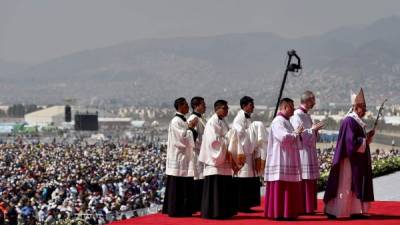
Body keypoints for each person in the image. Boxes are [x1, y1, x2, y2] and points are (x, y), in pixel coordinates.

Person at [324, 88, 375, 219]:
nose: (365, 110)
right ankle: (341, 211)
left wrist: (366, 138)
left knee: (354, 184)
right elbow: (350, 142)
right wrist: (365, 140)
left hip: (356, 159)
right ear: (356, 107)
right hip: (348, 160)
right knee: (346, 185)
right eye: (363, 107)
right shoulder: (349, 121)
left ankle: (355, 211)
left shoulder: (356, 121)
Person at [199, 100, 241, 219]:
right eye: (224, 108)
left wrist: (230, 136)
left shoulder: (223, 121)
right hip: (215, 161)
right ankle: (213, 212)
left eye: (227, 108)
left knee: (223, 187)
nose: (227, 110)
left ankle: (223, 211)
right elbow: (214, 142)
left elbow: (224, 136)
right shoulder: (212, 122)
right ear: (217, 109)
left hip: (223, 159)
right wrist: (229, 138)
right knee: (215, 187)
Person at [264, 98, 304, 220]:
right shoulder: (278, 121)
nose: (294, 109)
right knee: (281, 185)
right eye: (292, 107)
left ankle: (288, 212)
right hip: (280, 159)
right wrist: (296, 133)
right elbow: (283, 138)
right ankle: (279, 212)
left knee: (288, 184)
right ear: (285, 107)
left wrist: (298, 134)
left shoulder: (287, 121)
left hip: (287, 158)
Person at [162, 97, 198, 217]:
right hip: (178, 157)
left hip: (185, 157)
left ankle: (185, 209)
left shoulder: (182, 121)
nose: (188, 107)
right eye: (186, 105)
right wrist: (191, 128)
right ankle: (176, 210)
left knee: (184, 185)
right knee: (177, 186)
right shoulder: (175, 121)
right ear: (180, 106)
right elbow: (181, 138)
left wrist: (189, 128)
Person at [290, 91, 324, 214]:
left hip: (310, 151)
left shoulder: (307, 115)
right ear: (308, 100)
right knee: (304, 178)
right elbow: (300, 134)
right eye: (313, 100)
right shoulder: (297, 115)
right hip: (302, 152)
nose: (314, 102)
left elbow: (309, 132)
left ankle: (309, 207)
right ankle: (303, 207)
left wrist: (315, 131)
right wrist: (313, 130)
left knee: (310, 179)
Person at [232, 96, 267, 212]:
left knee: (249, 179)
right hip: (243, 153)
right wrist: (254, 130)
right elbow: (240, 134)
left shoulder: (247, 118)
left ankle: (246, 204)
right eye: (251, 105)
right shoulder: (239, 119)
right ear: (244, 106)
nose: (253, 107)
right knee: (243, 179)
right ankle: (241, 204)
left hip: (250, 152)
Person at [187, 96, 207, 212]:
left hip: (203, 153)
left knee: (202, 178)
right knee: (198, 179)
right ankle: (197, 205)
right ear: (196, 106)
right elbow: (194, 139)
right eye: (203, 104)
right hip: (197, 153)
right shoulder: (193, 119)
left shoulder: (202, 118)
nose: (205, 106)